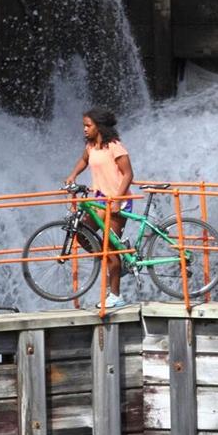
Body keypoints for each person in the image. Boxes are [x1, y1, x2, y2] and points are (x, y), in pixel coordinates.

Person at [64, 108, 134, 309]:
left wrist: (117, 199)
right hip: (101, 200)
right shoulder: (91, 147)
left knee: (109, 249)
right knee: (81, 234)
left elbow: (128, 174)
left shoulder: (115, 147)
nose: (85, 129)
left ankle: (116, 295)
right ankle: (116, 262)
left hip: (118, 200)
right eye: (84, 126)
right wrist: (73, 175)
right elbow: (84, 160)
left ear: (99, 126)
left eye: (88, 125)